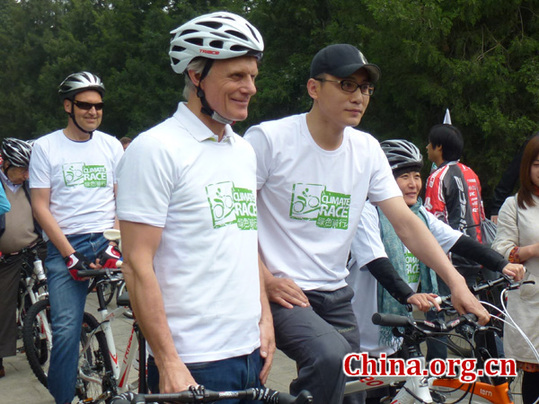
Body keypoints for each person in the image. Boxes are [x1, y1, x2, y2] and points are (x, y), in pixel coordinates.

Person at [243, 44, 489, 404]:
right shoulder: (269, 140)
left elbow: (406, 222)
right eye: (346, 85)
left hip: (336, 293)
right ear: (314, 88)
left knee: (355, 387)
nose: (358, 96)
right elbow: (236, 220)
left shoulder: (366, 149)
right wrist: (264, 277)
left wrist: (456, 283)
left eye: (365, 88)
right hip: (284, 291)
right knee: (331, 359)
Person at [115, 12, 273, 403]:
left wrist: (265, 320)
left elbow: (243, 240)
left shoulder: (243, 151)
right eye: (236, 76)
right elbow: (136, 263)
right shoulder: (156, 149)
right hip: (193, 360)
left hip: (250, 351)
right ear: (196, 75)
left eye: (252, 76)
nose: (250, 87)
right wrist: (168, 362)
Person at [347, 140, 524, 387]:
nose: (413, 184)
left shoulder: (419, 215)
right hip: (360, 339)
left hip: (397, 339)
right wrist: (409, 295)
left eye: (417, 176)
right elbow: (378, 262)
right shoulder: (367, 212)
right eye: (403, 176)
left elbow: (459, 241)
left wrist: (501, 264)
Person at [29, 71, 124, 404]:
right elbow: (40, 206)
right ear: (68, 106)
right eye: (84, 105)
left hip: (107, 238)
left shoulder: (111, 145)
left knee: (155, 309)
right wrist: (69, 254)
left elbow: (120, 198)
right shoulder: (46, 146)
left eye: (98, 106)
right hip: (66, 244)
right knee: (67, 331)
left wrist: (113, 241)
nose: (93, 112)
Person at [492, 132, 539, 404]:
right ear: (526, 166)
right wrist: (532, 250)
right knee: (533, 376)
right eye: (537, 163)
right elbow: (500, 250)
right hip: (531, 299)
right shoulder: (515, 204)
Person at [424, 123, 487, 288]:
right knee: (470, 307)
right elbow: (481, 214)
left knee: (444, 309)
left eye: (430, 143)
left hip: (450, 259)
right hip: (475, 254)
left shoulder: (437, 177)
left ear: (439, 147)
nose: (427, 147)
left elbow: (432, 219)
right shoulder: (471, 173)